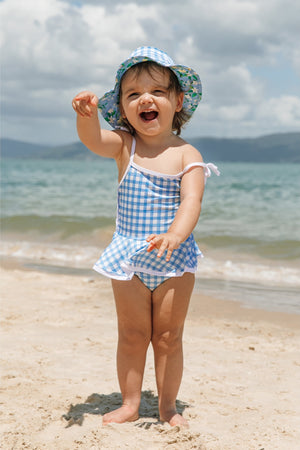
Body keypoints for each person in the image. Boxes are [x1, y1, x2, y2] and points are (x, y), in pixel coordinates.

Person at [72, 46, 219, 427]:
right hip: (129, 257)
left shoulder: (188, 154)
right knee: (133, 334)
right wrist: (86, 118)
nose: (145, 100)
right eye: (133, 94)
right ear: (122, 109)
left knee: (169, 336)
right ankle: (131, 403)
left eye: (156, 91)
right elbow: (93, 141)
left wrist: (175, 234)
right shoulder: (126, 146)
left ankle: (168, 407)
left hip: (174, 259)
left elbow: (192, 200)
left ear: (178, 100)